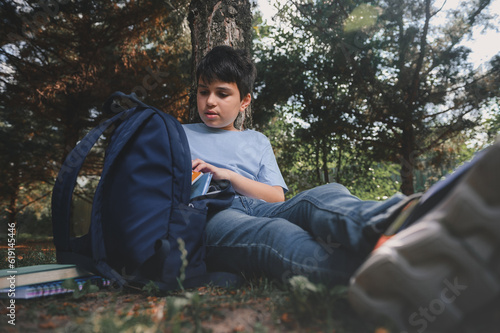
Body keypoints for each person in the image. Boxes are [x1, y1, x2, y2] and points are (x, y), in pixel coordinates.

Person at [182, 45, 500, 332]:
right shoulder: (179, 134)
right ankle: (385, 280)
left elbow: (276, 196)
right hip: (214, 214)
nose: (209, 101)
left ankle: (405, 219)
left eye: (222, 93)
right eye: (203, 91)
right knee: (275, 233)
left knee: (324, 196)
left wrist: (228, 174)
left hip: (260, 204)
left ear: (244, 101)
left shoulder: (257, 140)